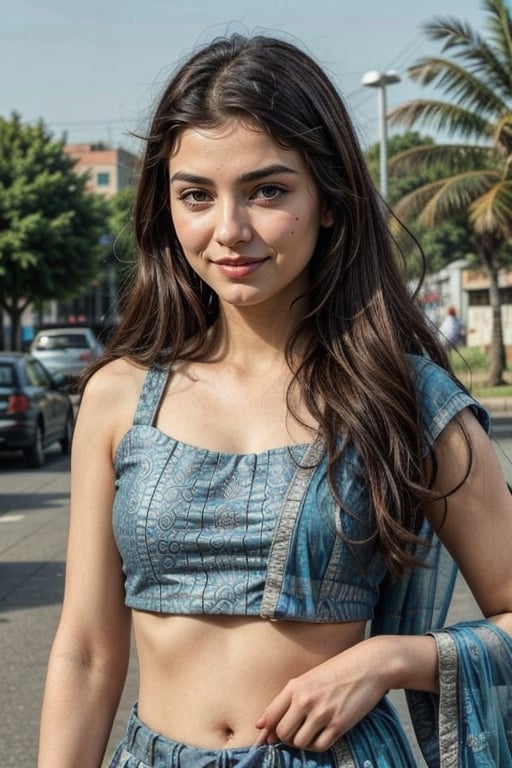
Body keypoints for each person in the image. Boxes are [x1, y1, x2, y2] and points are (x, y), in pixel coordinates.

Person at [37, 33, 512, 768]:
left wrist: (387, 660)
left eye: (267, 191)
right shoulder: (119, 397)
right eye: (196, 194)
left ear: (330, 201)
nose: (229, 231)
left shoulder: (404, 400)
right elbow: (89, 651)